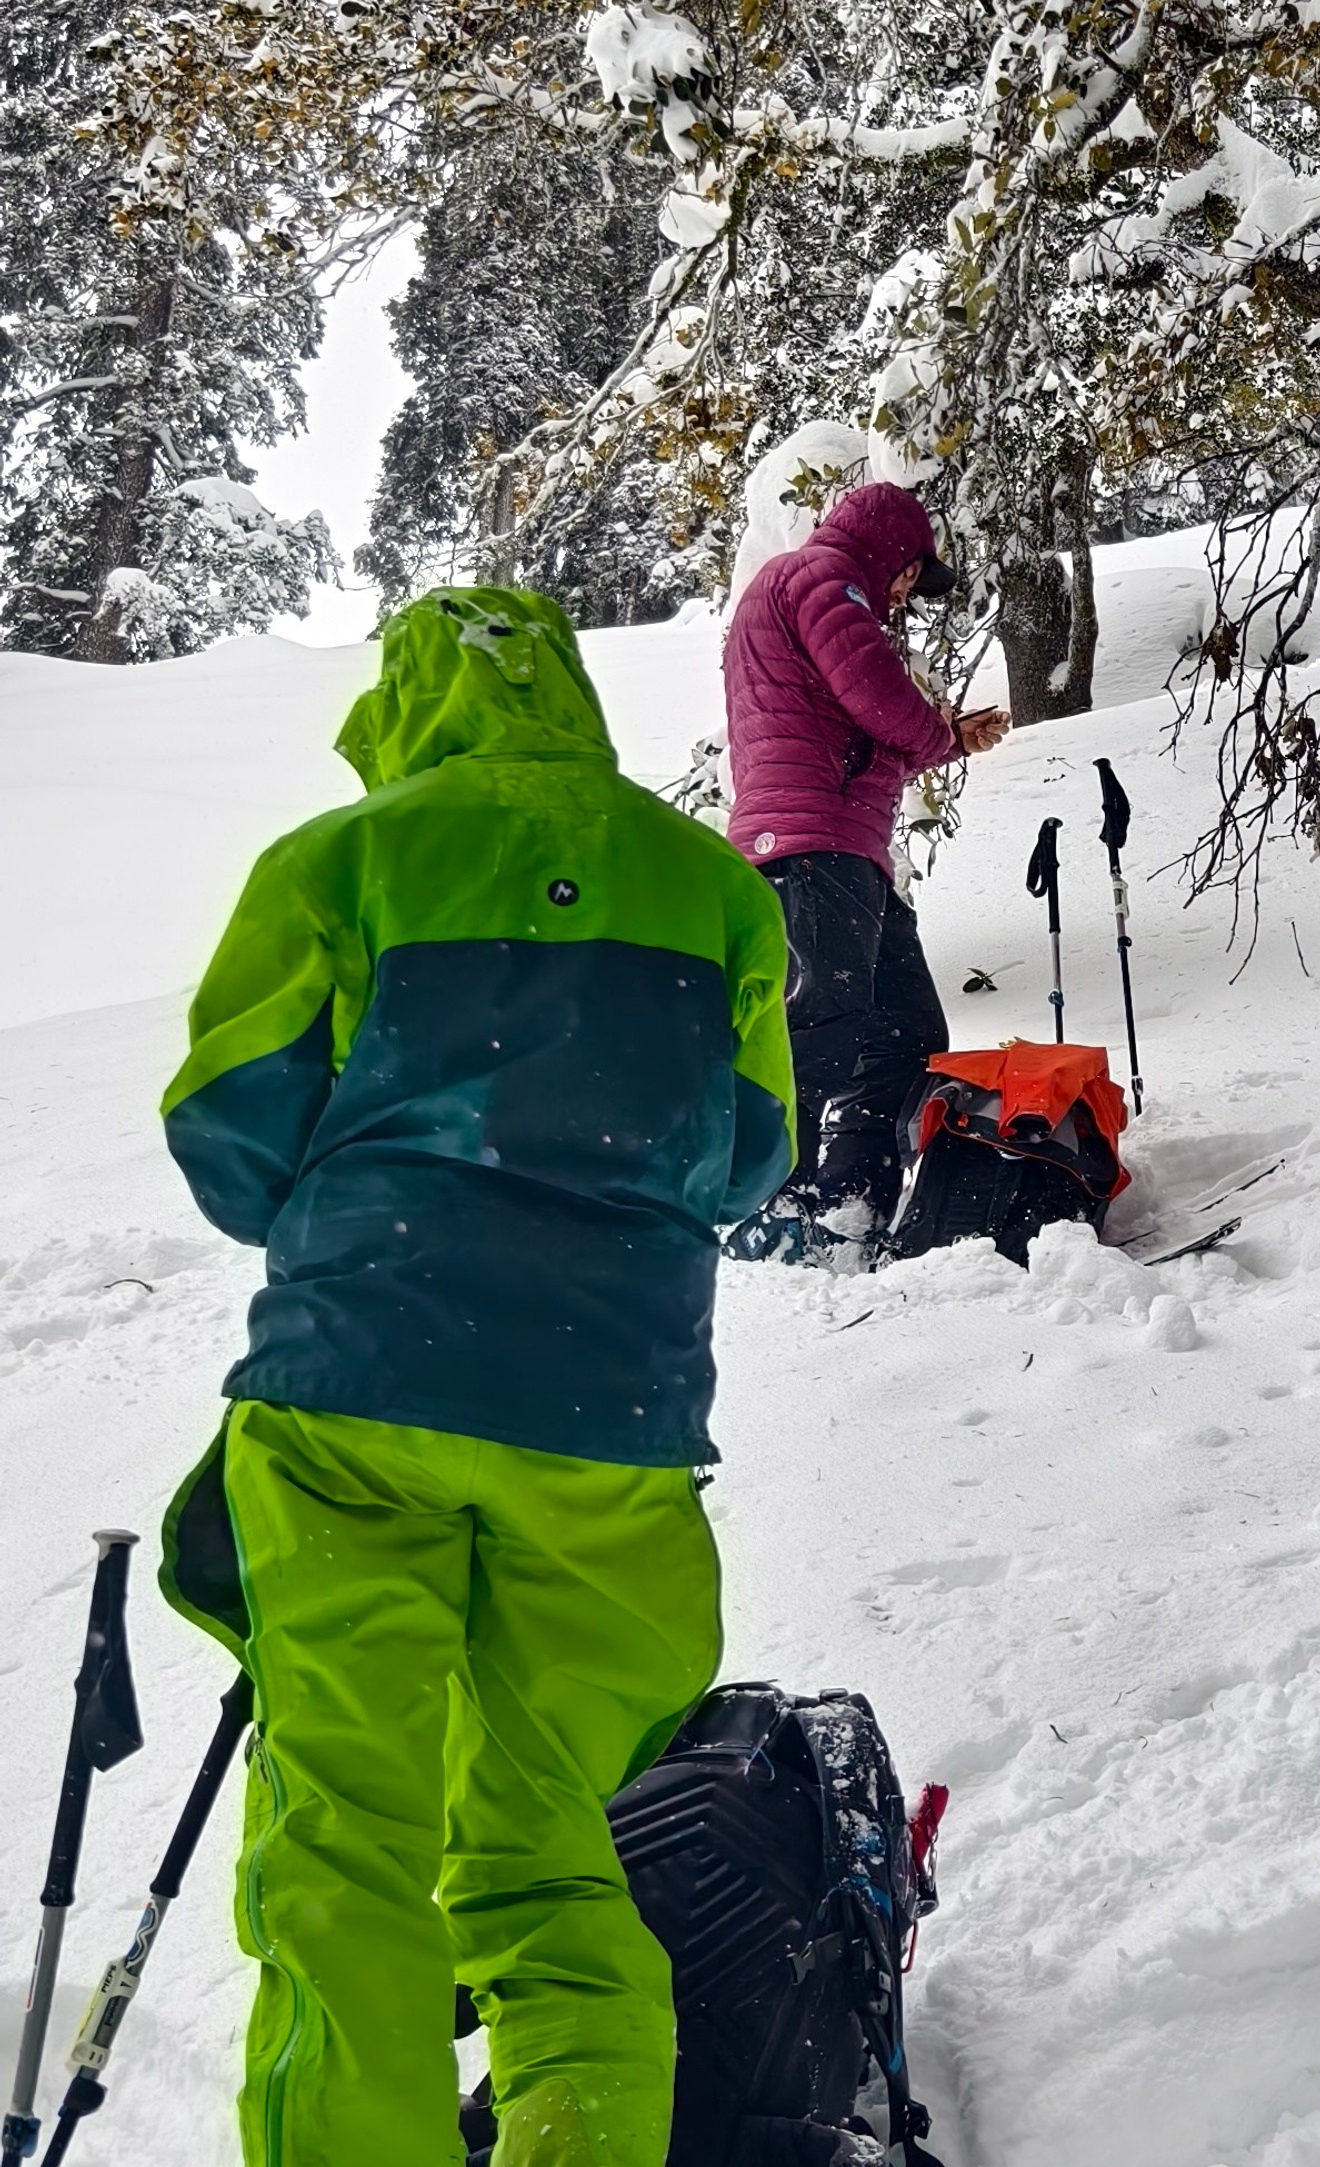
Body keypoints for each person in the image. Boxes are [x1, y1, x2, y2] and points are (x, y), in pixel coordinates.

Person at [155, 586, 796, 2167]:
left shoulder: (339, 863)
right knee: (550, 1847)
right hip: (610, 1421)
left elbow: (231, 1134)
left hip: (354, 1400)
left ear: (403, 705)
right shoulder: (714, 887)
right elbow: (750, 1154)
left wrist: (381, 1207)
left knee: (347, 1847)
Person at [720, 478, 1007, 1264]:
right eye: (912, 572)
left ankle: (849, 1205)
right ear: (892, 552)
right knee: (819, 1030)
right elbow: (878, 698)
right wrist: (939, 735)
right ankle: (773, 1209)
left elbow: (851, 731)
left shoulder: (803, 592)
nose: (907, 592)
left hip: (839, 848)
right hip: (812, 847)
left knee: (904, 1031)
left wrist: (944, 737)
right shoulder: (821, 578)